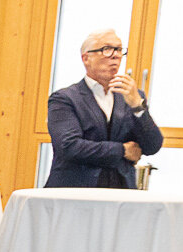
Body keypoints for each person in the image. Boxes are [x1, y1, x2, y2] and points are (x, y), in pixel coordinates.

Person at [43, 29, 164, 191]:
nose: (115, 55)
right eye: (106, 49)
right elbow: (70, 147)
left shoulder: (131, 96)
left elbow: (152, 146)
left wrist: (138, 106)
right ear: (86, 58)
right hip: (74, 191)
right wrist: (121, 150)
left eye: (119, 49)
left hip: (121, 192)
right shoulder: (64, 99)